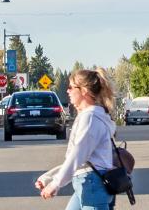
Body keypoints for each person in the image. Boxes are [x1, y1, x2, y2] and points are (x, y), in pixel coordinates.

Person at [35, 69, 117, 209]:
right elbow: (81, 160)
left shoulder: (90, 118)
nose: (68, 91)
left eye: (71, 87)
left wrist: (55, 184)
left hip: (92, 185)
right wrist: (49, 177)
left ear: (84, 91)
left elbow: (77, 156)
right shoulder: (90, 116)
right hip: (86, 183)